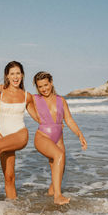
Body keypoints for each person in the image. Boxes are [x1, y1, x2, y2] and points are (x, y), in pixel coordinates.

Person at [0, 61, 38, 199]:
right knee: (9, 178)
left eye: (18, 73)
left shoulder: (26, 96)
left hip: (20, 135)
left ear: (22, 75)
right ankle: (13, 208)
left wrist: (56, 121)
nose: (15, 77)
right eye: (12, 74)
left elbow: (38, 117)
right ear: (7, 76)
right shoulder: (1, 94)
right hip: (4, 138)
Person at [33, 71, 87, 205]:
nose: (44, 89)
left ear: (51, 83)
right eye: (40, 86)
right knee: (59, 155)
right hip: (42, 136)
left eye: (46, 85)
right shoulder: (34, 99)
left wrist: (79, 134)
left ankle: (51, 194)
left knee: (59, 169)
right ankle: (58, 196)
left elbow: (68, 119)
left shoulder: (61, 100)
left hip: (58, 139)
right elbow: (17, 97)